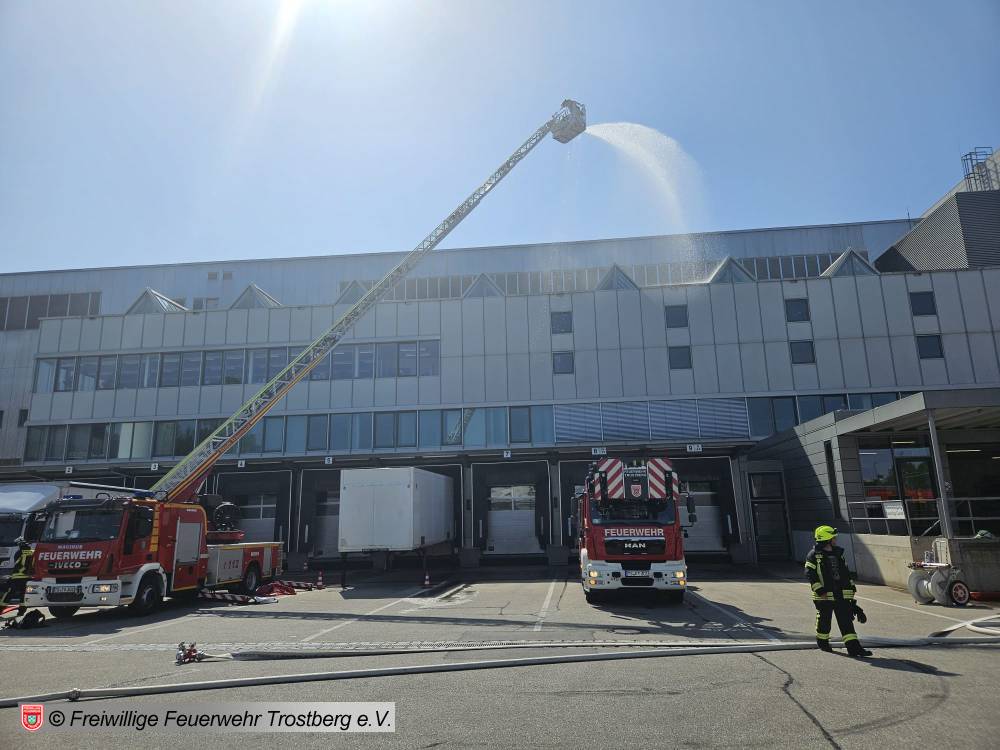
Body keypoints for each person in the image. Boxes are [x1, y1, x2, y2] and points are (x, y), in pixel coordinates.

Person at [805, 526, 872, 657]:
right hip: (824, 596)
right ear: (827, 539)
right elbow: (810, 574)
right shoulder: (814, 555)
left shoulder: (838, 554)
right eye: (833, 538)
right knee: (824, 621)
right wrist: (820, 590)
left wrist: (851, 589)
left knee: (846, 622)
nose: (835, 540)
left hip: (841, 594)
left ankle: (854, 648)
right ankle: (823, 642)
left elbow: (845, 573)